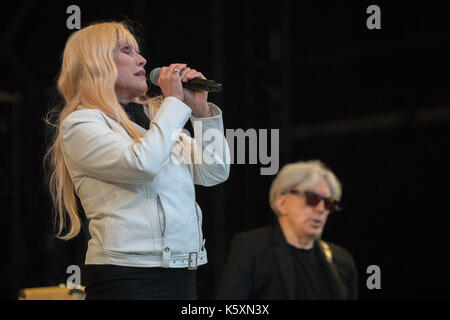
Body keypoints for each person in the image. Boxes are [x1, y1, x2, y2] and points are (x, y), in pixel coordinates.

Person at [44, 21, 230, 300]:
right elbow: (142, 164)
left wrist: (201, 112)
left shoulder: (157, 119)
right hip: (127, 274)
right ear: (97, 62)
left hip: (181, 270)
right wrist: (175, 104)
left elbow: (214, 172)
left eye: (138, 51)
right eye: (127, 50)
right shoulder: (81, 124)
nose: (142, 59)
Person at [216, 160, 357, 300]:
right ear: (282, 203)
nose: (321, 209)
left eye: (328, 203)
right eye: (312, 198)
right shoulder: (251, 248)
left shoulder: (341, 259)